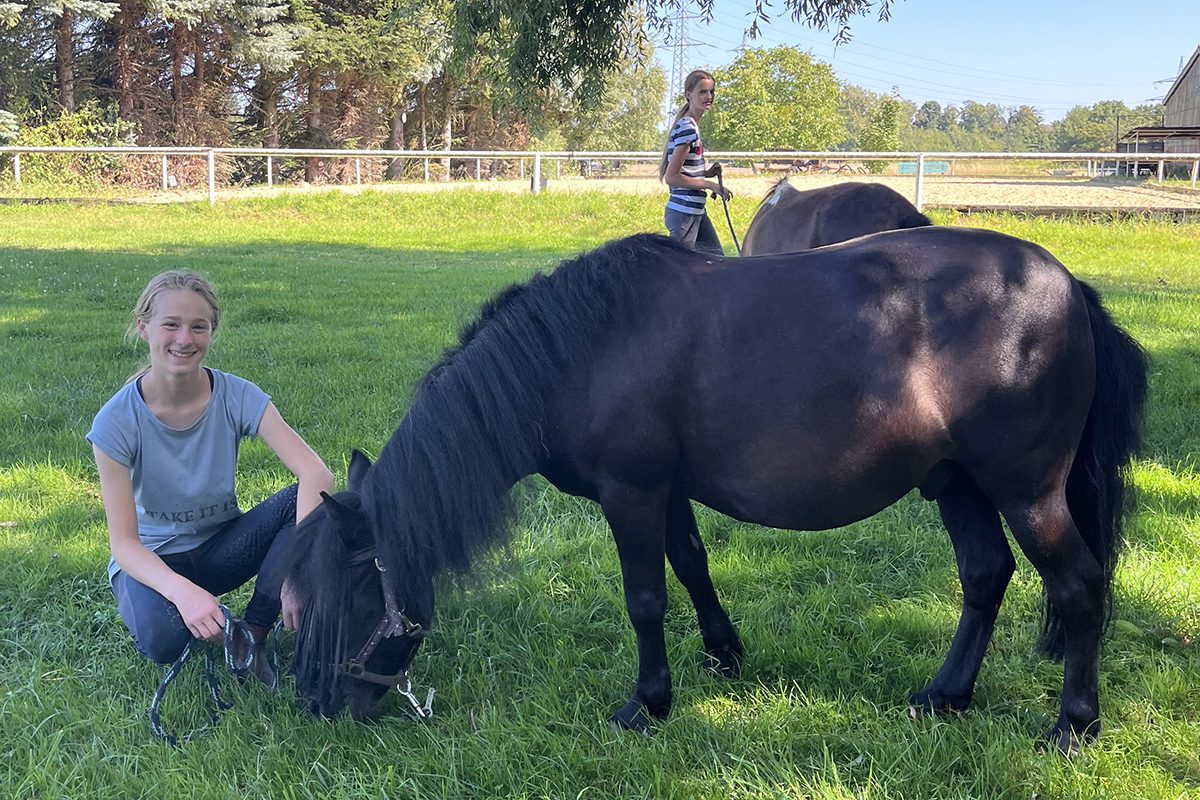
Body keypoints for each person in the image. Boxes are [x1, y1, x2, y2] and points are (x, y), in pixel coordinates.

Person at [88, 271, 334, 687]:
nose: (184, 339)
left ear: (211, 332)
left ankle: (252, 633)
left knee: (306, 501)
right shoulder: (115, 422)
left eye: (198, 327)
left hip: (221, 550)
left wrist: (300, 569)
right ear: (144, 327)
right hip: (155, 561)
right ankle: (188, 609)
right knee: (163, 641)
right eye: (171, 324)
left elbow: (317, 474)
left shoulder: (237, 395)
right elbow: (124, 545)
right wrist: (181, 592)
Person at [659, 68, 732, 257]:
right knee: (679, 272)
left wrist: (707, 172)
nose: (709, 96)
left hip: (694, 210)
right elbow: (672, 177)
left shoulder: (689, 125)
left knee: (717, 262)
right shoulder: (688, 127)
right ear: (688, 95)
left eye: (711, 91)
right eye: (703, 91)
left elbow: (684, 170)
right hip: (685, 212)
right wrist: (711, 185)